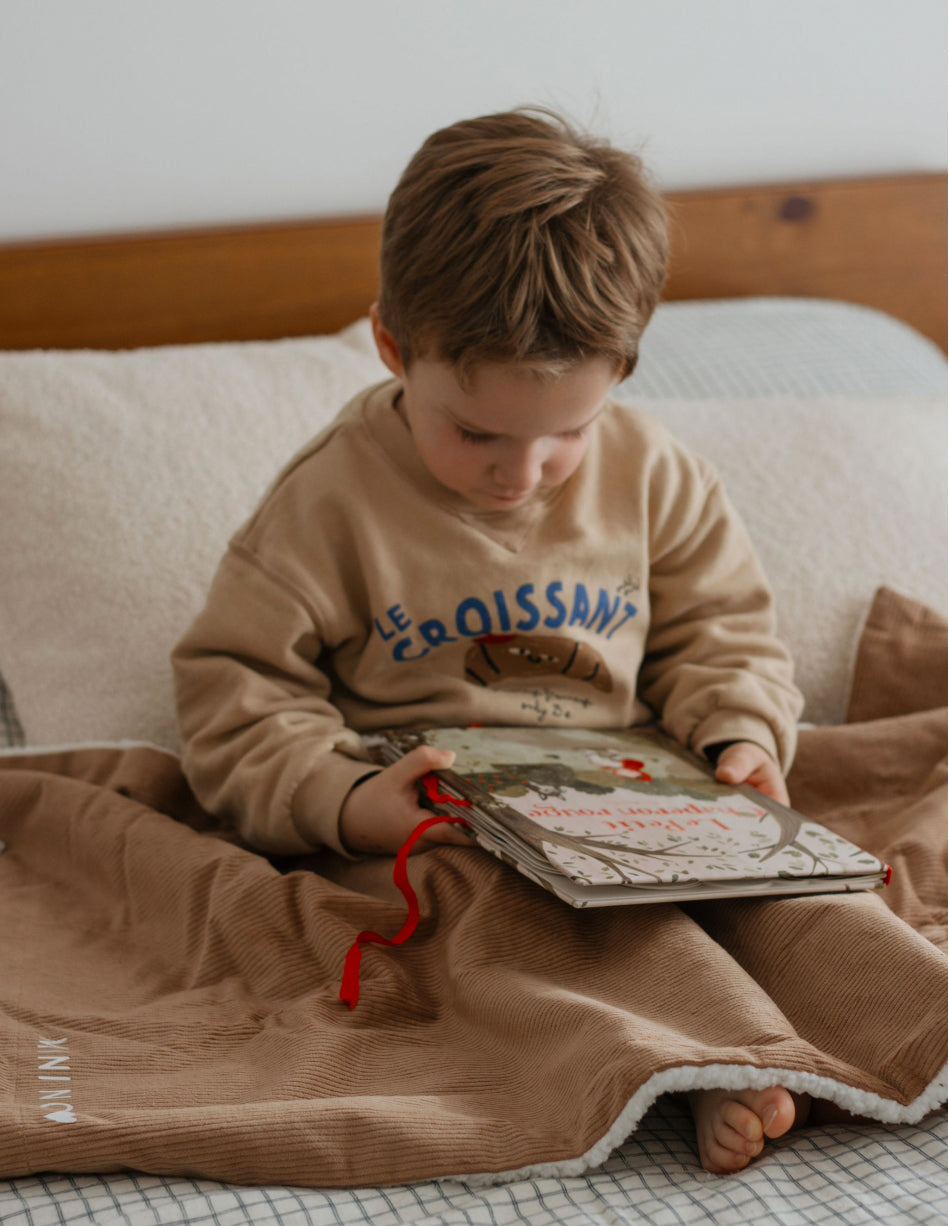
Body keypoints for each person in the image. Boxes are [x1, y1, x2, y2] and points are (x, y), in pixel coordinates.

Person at [172, 107, 806, 1174]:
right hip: (436, 820)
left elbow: (722, 631)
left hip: (631, 797)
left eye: (567, 433)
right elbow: (233, 689)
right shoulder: (330, 502)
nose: (521, 474)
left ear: (624, 367)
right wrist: (342, 797)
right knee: (493, 937)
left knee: (791, 900)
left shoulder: (657, 474)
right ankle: (670, 1063)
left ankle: (741, 1038)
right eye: (475, 433)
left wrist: (740, 732)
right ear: (392, 347)